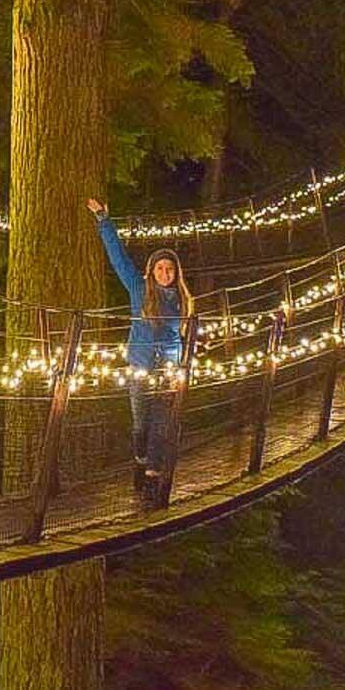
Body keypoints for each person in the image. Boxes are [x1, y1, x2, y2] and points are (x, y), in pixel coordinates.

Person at [87, 198, 194, 484]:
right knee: (140, 424)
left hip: (167, 370)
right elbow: (118, 258)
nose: (165, 273)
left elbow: (183, 334)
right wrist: (103, 221)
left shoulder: (182, 299)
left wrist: (182, 363)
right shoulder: (138, 289)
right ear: (151, 270)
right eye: (160, 268)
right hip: (139, 366)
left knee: (160, 424)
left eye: (169, 269)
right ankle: (140, 459)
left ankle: (151, 478)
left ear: (176, 273)